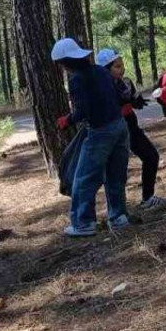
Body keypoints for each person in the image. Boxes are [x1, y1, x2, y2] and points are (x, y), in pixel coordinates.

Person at [53, 38, 131, 237]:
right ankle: (119, 216)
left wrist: (67, 120)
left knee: (84, 177)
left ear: (66, 62)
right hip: (120, 127)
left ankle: (83, 222)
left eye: (61, 64)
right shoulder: (100, 71)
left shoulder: (77, 79)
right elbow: (117, 95)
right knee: (115, 174)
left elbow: (83, 111)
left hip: (100, 132)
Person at [97, 49, 166, 210]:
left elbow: (133, 98)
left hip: (131, 128)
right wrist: (124, 105)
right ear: (105, 70)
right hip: (114, 133)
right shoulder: (102, 88)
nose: (121, 69)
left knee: (151, 157)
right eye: (117, 66)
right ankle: (117, 212)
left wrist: (137, 101)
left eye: (122, 65)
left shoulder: (126, 82)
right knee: (116, 171)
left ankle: (147, 198)